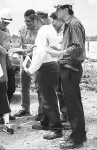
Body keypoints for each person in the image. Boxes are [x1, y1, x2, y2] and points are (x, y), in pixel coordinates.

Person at [47, 0, 87, 149]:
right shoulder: (69, 24)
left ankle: (77, 138)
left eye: (57, 8)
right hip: (68, 67)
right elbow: (72, 46)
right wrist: (60, 50)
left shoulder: (74, 24)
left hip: (71, 68)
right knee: (71, 104)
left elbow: (77, 48)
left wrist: (59, 54)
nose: (56, 12)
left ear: (65, 8)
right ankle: (78, 136)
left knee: (73, 104)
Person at [26, 11, 63, 140]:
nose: (33, 25)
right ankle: (46, 122)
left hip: (46, 67)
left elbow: (41, 53)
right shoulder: (50, 29)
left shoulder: (43, 30)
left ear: (37, 20)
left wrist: (31, 69)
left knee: (49, 99)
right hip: (51, 66)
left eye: (33, 21)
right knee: (46, 97)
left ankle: (56, 129)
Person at [13, 9, 42, 121]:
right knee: (24, 86)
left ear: (35, 19)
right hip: (25, 61)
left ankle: (41, 111)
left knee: (39, 87)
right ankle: (25, 109)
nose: (27, 23)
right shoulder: (22, 29)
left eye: (30, 21)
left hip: (37, 62)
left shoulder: (40, 30)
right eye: (26, 21)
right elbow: (18, 43)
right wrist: (16, 48)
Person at [0, 9, 16, 123]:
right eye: (4, 22)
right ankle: (0, 113)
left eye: (7, 23)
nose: (6, 24)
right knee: (0, 89)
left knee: (11, 87)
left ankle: (5, 110)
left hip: (7, 61)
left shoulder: (7, 31)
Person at [50, 12, 68, 123]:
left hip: (65, 63)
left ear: (60, 20)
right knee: (59, 90)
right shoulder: (53, 32)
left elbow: (67, 47)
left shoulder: (67, 31)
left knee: (66, 90)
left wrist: (56, 49)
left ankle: (68, 115)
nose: (52, 23)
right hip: (57, 63)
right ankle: (64, 113)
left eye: (54, 21)